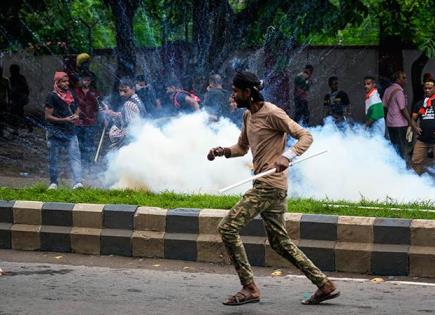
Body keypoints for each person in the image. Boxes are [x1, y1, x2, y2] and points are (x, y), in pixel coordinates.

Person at [207, 71, 339, 306]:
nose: (233, 95)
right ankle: (324, 285)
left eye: (236, 91)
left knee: (227, 228)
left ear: (248, 92)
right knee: (280, 242)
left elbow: (305, 136)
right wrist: (222, 152)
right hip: (267, 185)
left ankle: (249, 288)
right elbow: (241, 148)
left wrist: (287, 156)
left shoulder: (273, 113)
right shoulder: (248, 115)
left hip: (269, 187)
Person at [44, 72, 83, 190]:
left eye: (67, 81)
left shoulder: (71, 94)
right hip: (54, 132)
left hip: (70, 132)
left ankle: (78, 183)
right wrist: (65, 119)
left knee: (75, 157)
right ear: (57, 82)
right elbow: (48, 116)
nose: (67, 83)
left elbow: (78, 108)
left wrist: (76, 115)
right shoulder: (52, 96)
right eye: (64, 81)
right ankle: (53, 183)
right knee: (53, 159)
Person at [383, 70, 416, 159]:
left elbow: (385, 106)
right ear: (398, 79)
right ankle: (401, 168)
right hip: (400, 124)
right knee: (401, 148)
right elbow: (403, 109)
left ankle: (396, 167)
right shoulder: (399, 92)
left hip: (390, 124)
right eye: (403, 78)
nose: (406, 80)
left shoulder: (387, 90)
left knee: (394, 147)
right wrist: (411, 122)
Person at [106, 77, 145, 148]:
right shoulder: (137, 99)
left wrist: (115, 135)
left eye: (125, 91)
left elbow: (132, 129)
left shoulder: (129, 104)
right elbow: (131, 115)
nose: (122, 94)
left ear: (133, 89)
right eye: (120, 91)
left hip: (131, 143)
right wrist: (114, 114)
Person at [74, 72, 100, 171]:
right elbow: (72, 105)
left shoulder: (94, 93)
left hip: (90, 122)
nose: (86, 82)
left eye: (88, 80)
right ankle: (79, 163)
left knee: (88, 143)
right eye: (84, 80)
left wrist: (102, 117)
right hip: (78, 122)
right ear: (81, 80)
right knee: (78, 143)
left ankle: (87, 164)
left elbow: (98, 107)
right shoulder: (76, 92)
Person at [411, 79, 435, 175]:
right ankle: (416, 183)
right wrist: (415, 127)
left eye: (430, 88)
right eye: (426, 88)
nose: (427, 90)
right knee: (415, 162)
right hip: (422, 139)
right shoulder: (420, 103)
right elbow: (413, 119)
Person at [9, 64, 29, 130]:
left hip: (20, 98)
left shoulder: (19, 78)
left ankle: (18, 127)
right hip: (17, 98)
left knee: (17, 112)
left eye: (12, 70)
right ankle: (25, 126)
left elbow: (25, 88)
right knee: (17, 113)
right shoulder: (12, 78)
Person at [0, 66, 10, 137]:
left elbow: (9, 91)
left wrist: (9, 101)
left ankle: (2, 131)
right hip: (2, 102)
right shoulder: (5, 80)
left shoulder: (5, 80)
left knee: (2, 117)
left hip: (2, 102)